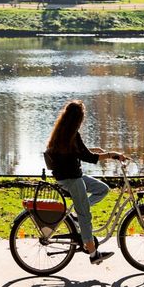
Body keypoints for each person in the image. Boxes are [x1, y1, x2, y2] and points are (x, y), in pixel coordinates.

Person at [43, 100, 128, 265]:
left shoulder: (63, 131)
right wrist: (112, 154)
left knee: (102, 189)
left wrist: (94, 149)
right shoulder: (72, 134)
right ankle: (93, 253)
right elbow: (88, 157)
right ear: (77, 119)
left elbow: (78, 151)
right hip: (72, 179)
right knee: (85, 215)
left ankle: (75, 215)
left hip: (69, 177)